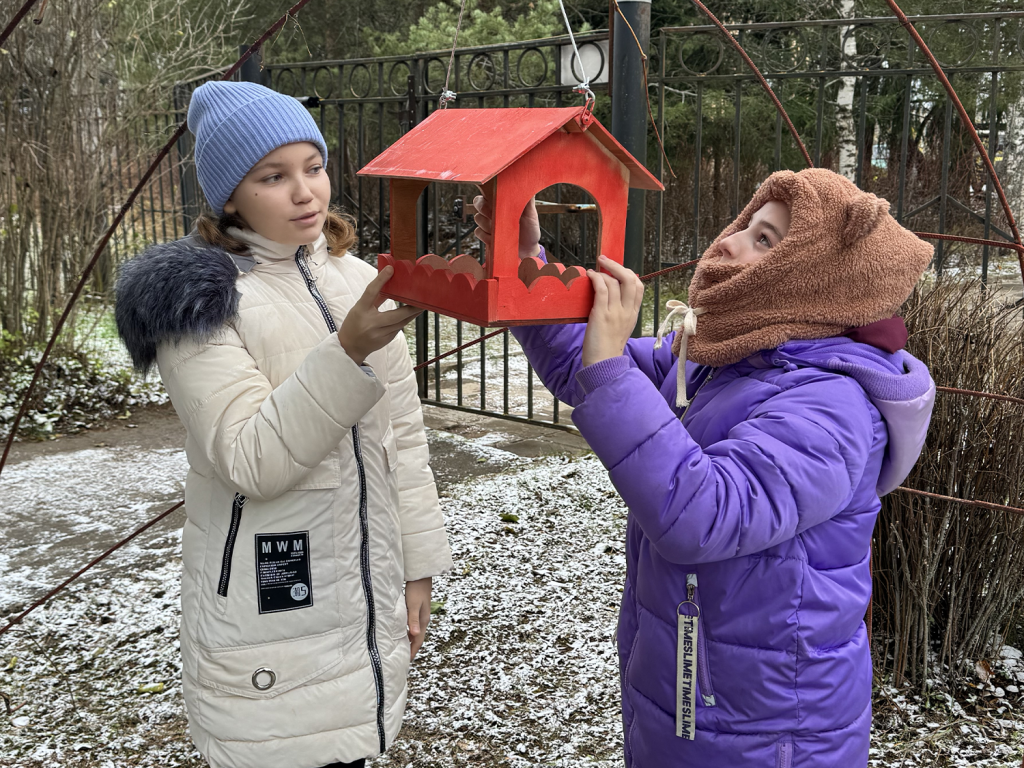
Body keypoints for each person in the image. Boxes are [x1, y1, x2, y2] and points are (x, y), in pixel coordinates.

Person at [474, 168, 935, 767]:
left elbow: (703, 514)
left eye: (764, 239)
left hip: (768, 730)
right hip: (691, 699)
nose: (730, 242)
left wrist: (608, 367)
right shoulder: (730, 356)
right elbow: (585, 368)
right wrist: (523, 260)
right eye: (746, 225)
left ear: (816, 278)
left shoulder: (832, 409)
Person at [115, 81, 453, 768]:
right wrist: (346, 352)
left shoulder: (357, 280)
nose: (305, 192)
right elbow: (251, 459)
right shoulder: (198, 303)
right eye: (273, 177)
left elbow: (403, 440)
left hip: (363, 597)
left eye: (313, 167)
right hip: (267, 609)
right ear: (230, 198)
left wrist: (419, 567)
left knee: (353, 746)